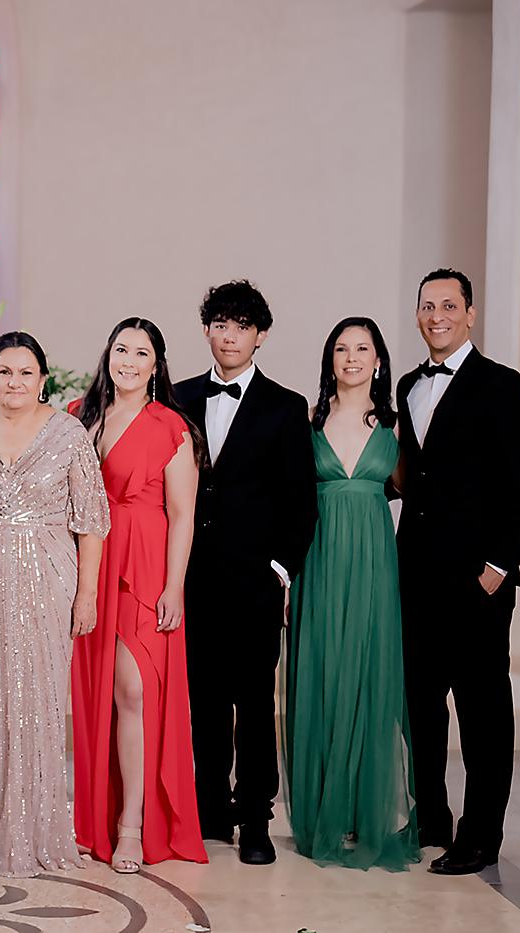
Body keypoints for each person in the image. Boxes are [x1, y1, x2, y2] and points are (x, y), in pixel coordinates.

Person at [0, 332, 108, 877]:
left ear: (43, 379)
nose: (15, 382)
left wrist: (88, 595)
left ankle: (39, 829)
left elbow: (93, 520)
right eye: (4, 372)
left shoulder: (69, 433)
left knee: (40, 698)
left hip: (51, 577)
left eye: (26, 372)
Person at [397, 269, 520, 875]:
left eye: (449, 306)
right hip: (415, 575)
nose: (437, 316)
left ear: (470, 314)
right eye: (427, 306)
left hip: (476, 581)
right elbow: (409, 478)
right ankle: (432, 818)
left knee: (482, 712)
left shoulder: (502, 385)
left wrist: (498, 569)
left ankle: (481, 835)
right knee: (422, 707)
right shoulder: (406, 386)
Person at [173, 281, 317, 865]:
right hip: (192, 581)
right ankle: (210, 811)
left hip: (255, 583)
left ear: (259, 335)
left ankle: (255, 816)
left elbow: (300, 502)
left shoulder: (285, 407)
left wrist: (279, 572)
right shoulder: (178, 398)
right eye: (220, 324)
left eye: (241, 326)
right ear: (207, 330)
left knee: (254, 704)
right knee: (202, 701)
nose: (229, 335)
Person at [68, 318, 208, 873]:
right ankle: (90, 821)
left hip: (144, 566)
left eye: (140, 352)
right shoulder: (82, 417)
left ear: (156, 365)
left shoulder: (170, 427)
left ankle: (132, 825)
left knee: (132, 690)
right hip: (89, 565)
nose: (127, 359)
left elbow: (183, 515)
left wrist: (174, 585)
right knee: (91, 693)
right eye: (120, 349)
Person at [282, 317, 420, 871]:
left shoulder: (396, 424)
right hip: (319, 561)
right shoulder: (307, 421)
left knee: (369, 676)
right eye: (341, 348)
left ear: (379, 359)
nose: (352, 357)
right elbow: (288, 498)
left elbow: (417, 490)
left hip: (375, 565)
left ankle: (367, 813)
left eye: (362, 347)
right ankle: (323, 813)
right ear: (329, 360)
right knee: (322, 674)